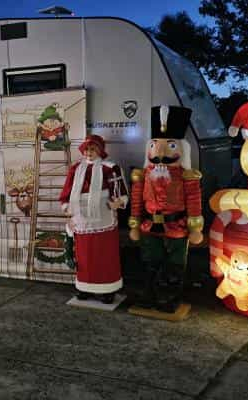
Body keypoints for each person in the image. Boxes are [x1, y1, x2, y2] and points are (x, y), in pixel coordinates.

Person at [129, 106, 204, 313]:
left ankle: (170, 297)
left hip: (176, 226)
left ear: (180, 149)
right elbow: (136, 201)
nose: (160, 153)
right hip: (149, 226)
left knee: (174, 265)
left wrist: (195, 228)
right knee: (149, 262)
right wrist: (134, 224)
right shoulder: (141, 175)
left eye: (169, 145)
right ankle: (149, 294)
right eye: (155, 145)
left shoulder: (187, 176)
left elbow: (194, 201)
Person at [59, 134, 128, 303]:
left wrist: (118, 202)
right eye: (87, 149)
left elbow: (120, 191)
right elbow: (67, 192)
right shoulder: (75, 168)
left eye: (93, 149)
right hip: (80, 217)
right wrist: (67, 210)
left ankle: (107, 289)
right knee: (84, 255)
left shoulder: (110, 168)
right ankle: (85, 287)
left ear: (100, 150)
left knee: (104, 254)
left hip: (103, 215)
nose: (89, 152)